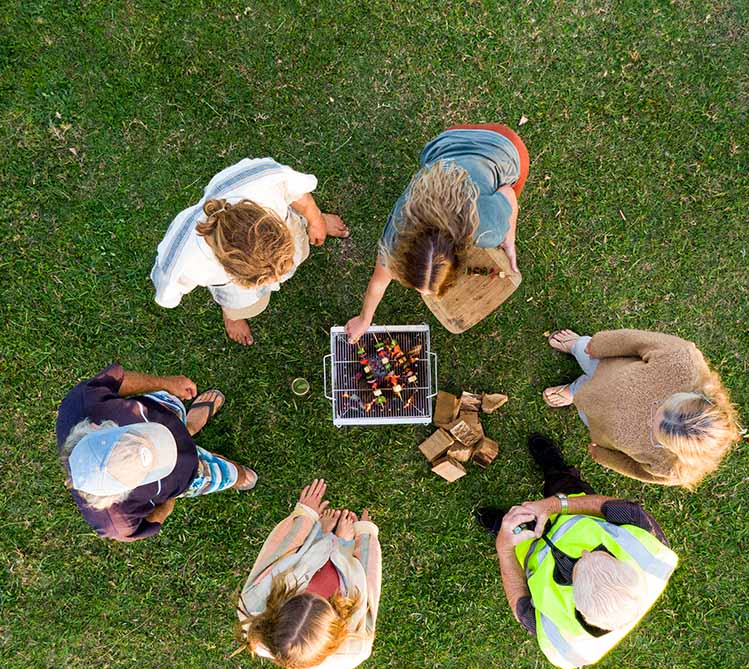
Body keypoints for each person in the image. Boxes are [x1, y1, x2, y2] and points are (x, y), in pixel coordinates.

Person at [476, 434, 678, 669]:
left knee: (508, 529)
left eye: (579, 566)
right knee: (563, 483)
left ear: (578, 606)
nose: (584, 552)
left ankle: (501, 523)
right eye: (601, 553)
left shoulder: (562, 643)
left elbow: (520, 604)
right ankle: (554, 469)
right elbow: (614, 508)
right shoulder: (653, 555)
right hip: (572, 510)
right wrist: (554, 505)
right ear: (625, 567)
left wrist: (505, 546)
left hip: (528, 547)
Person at [345, 124, 529, 342]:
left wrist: (509, 236)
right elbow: (378, 281)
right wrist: (364, 319)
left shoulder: (488, 230)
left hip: (504, 147)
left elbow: (508, 191)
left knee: (509, 184)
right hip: (447, 142)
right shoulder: (395, 235)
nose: (425, 294)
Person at [151, 157, 349, 346]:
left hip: (287, 224)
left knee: (301, 245)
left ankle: (305, 223)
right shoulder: (182, 262)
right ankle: (232, 316)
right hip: (232, 287)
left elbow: (296, 190)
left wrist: (315, 220)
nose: (277, 279)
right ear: (232, 270)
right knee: (246, 306)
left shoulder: (263, 179)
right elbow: (168, 296)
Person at [56, 364, 257, 541]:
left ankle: (190, 426)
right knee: (229, 474)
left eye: (134, 434)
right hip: (187, 476)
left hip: (162, 412)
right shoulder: (117, 522)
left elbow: (118, 381)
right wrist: (171, 497)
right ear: (117, 496)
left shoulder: (82, 404)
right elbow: (149, 523)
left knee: (178, 420)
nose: (157, 447)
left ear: (96, 426)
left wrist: (167, 384)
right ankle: (234, 475)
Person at [542, 329, 739, 487]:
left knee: (584, 401)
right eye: (662, 404)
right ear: (699, 396)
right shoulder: (684, 362)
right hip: (606, 366)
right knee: (586, 352)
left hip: (598, 419)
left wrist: (605, 457)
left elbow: (636, 469)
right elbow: (639, 341)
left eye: (655, 430)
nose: (651, 417)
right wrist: (600, 344)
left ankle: (576, 392)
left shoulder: (672, 468)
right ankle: (577, 346)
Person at [234, 479, 381, 669]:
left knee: (301, 557)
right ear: (336, 633)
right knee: (344, 572)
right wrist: (365, 536)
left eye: (302, 593)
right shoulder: (355, 647)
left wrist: (305, 516)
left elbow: (278, 551)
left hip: (304, 562)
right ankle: (341, 545)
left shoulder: (252, 605)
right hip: (342, 577)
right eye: (321, 599)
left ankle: (321, 536)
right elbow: (369, 586)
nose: (312, 591)